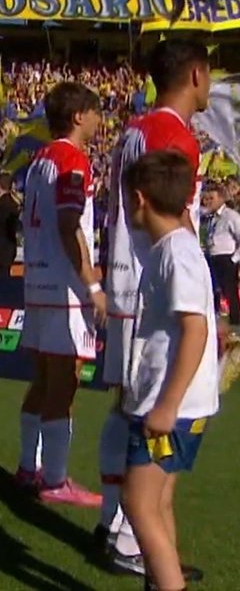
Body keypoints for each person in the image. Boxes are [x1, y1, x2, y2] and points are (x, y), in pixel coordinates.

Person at [101, 40, 209, 577]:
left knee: (139, 433)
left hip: (141, 294)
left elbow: (194, 327)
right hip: (150, 297)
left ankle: (130, 539)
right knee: (148, 469)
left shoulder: (139, 129)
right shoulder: (171, 136)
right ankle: (130, 540)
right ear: (196, 74)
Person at [121, 150, 218, 591]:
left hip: (172, 409)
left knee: (137, 504)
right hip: (172, 404)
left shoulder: (176, 253)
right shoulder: (173, 248)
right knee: (156, 502)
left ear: (138, 199)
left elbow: (194, 330)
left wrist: (166, 405)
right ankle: (164, 580)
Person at [18, 82, 105, 507]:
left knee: (43, 379)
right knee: (63, 382)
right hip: (64, 286)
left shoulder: (38, 160)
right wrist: (92, 283)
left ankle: (26, 464)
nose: (98, 120)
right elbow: (71, 223)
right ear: (77, 116)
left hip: (37, 279)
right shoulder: (72, 158)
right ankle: (54, 478)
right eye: (94, 112)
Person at [199, 183, 240, 326]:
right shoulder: (210, 217)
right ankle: (215, 321)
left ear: (221, 198)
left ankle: (235, 324)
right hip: (212, 258)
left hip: (226, 258)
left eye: (211, 198)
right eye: (206, 198)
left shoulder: (231, 216)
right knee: (213, 292)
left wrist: (234, 259)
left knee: (229, 293)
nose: (207, 202)